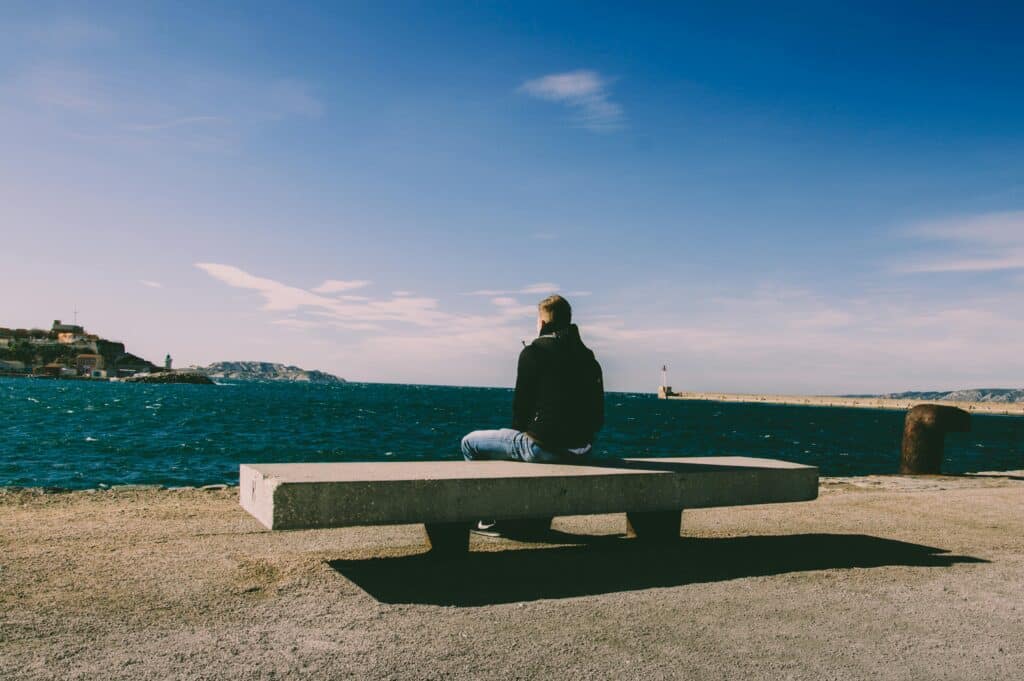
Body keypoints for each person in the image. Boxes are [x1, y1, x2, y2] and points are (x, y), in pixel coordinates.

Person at [461, 294, 604, 465]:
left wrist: (521, 435)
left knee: (469, 443)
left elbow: (521, 409)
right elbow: (597, 417)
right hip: (583, 451)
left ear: (542, 323)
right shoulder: (588, 358)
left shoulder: (534, 352)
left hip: (543, 448)